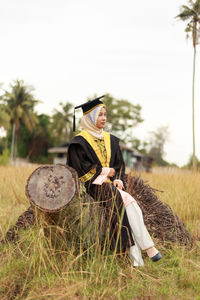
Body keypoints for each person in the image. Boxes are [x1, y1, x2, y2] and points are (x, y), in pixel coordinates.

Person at [67, 96, 162, 266]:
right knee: (120, 199)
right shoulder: (79, 143)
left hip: (111, 186)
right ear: (88, 118)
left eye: (105, 114)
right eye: (99, 115)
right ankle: (147, 249)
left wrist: (118, 178)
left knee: (131, 205)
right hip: (93, 186)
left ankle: (140, 255)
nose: (103, 118)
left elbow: (118, 165)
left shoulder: (111, 140)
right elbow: (80, 169)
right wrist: (105, 171)